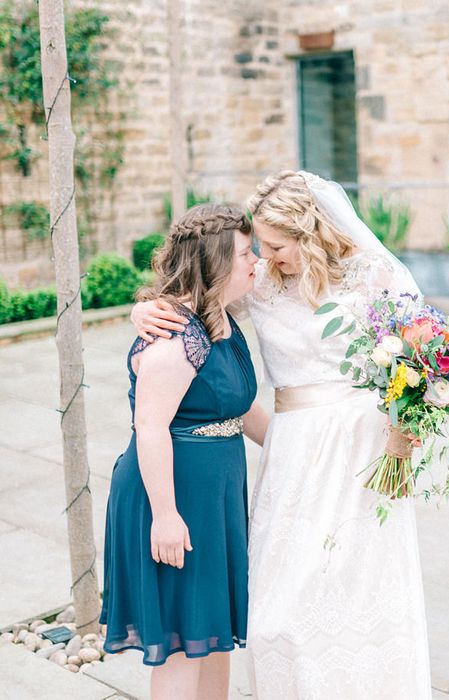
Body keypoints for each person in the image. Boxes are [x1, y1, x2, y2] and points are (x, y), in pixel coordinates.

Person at [132, 171, 431, 698]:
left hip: (364, 446)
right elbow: (198, 299)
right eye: (259, 248)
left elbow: (421, 358)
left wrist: (403, 442)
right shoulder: (262, 284)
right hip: (294, 447)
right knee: (278, 608)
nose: (265, 257)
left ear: (310, 233)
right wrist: (145, 309)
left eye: (275, 245)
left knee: (360, 586)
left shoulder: (373, 273)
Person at [101, 203, 269, 700]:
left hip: (213, 493)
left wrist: (306, 450)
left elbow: (240, 407)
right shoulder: (175, 338)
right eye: (244, 253)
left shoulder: (220, 317)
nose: (255, 260)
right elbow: (149, 427)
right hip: (173, 495)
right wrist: (167, 517)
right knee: (181, 640)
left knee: (212, 634)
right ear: (215, 264)